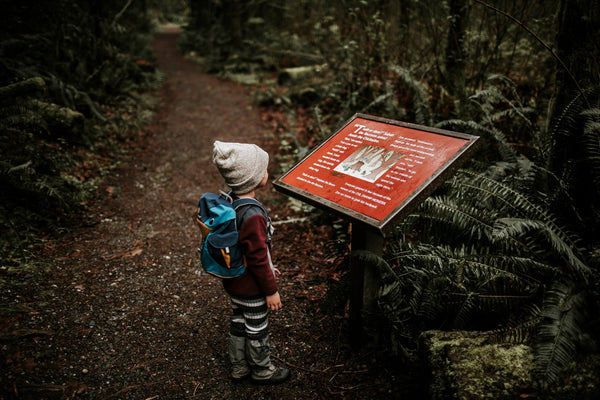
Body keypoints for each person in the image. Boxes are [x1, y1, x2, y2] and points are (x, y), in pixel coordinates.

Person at [211, 140, 291, 384]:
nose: (267, 173)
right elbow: (256, 257)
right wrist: (271, 290)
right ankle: (261, 369)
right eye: (263, 169)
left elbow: (251, 252)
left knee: (239, 320)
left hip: (234, 280)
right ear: (254, 178)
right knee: (257, 327)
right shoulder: (253, 214)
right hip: (251, 286)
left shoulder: (229, 201)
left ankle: (238, 367)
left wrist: (268, 265)